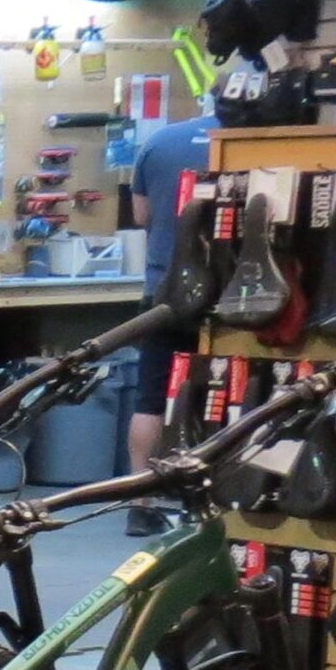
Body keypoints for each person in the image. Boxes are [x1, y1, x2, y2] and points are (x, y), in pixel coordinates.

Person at [125, 96, 215, 535]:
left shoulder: (158, 141)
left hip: (162, 290)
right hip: (224, 296)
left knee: (150, 398)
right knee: (220, 394)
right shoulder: (242, 140)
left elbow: (142, 215)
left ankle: (139, 504)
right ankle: (206, 499)